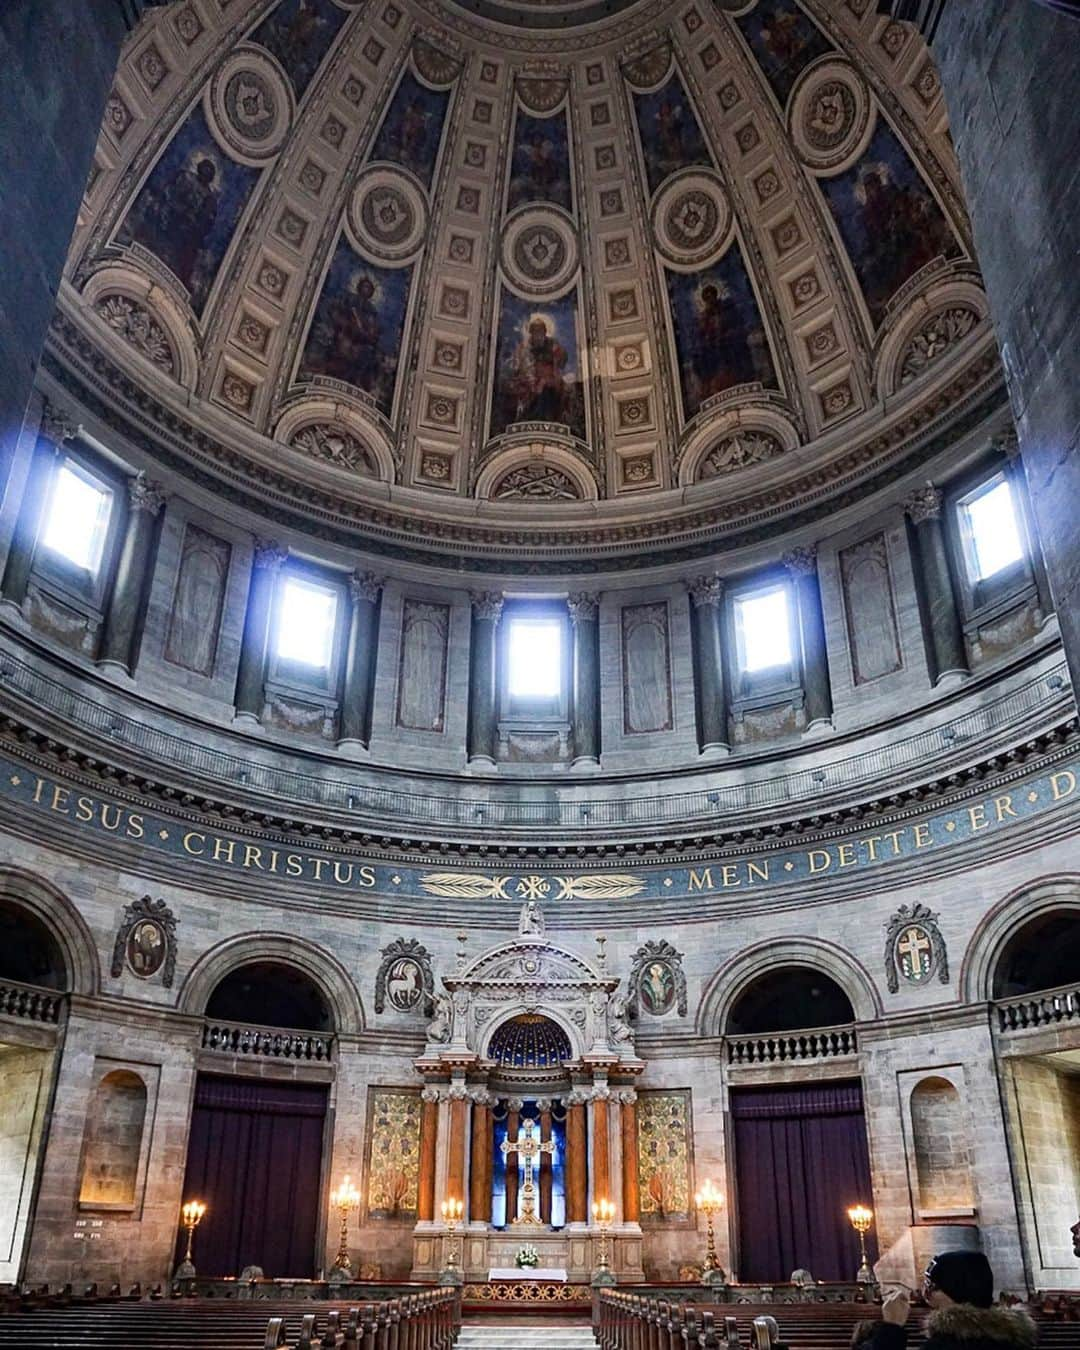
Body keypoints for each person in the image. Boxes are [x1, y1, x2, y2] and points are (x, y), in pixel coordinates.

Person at [869, 1252, 1035, 1350]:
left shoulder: (944, 1345)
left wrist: (891, 1329)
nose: (925, 1292)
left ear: (956, 1291)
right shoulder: (1013, 1340)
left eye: (932, 1286)